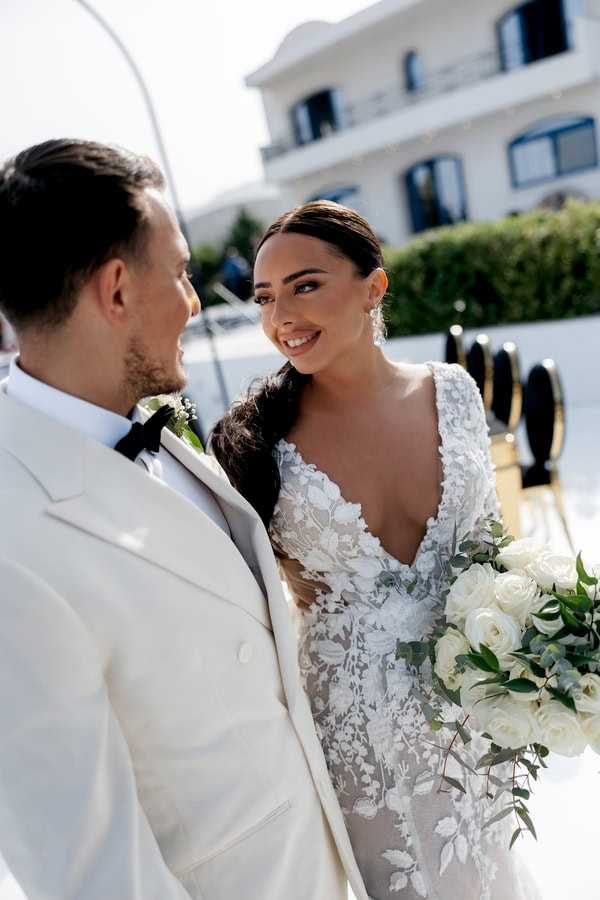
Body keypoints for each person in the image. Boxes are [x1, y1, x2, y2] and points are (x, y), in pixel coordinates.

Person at [0, 141, 369, 900]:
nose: (196, 302)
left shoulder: (156, 428)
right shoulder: (15, 547)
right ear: (116, 291)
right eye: (181, 272)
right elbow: (91, 874)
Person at [210, 201, 541, 899]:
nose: (281, 318)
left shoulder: (452, 393)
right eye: (265, 298)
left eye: (304, 286)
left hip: (475, 718)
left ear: (374, 287)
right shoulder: (251, 446)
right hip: (357, 744)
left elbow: (495, 553)